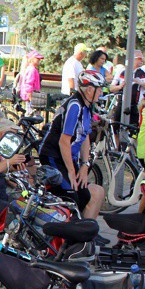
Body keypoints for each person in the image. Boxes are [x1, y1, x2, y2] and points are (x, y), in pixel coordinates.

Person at [38, 69, 106, 219]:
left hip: (67, 157)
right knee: (72, 199)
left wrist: (84, 165)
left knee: (88, 195)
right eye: (99, 89)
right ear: (89, 90)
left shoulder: (87, 106)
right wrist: (71, 171)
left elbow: (85, 136)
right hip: (53, 156)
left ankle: (85, 234)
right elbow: (64, 141)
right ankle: (72, 235)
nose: (101, 92)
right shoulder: (74, 106)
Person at [110, 49, 145, 126]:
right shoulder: (122, 71)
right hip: (121, 103)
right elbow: (111, 88)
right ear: (132, 58)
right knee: (116, 127)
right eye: (140, 58)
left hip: (136, 106)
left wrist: (141, 83)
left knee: (133, 130)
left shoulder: (144, 73)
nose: (142, 60)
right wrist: (120, 86)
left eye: (143, 58)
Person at [16, 50, 44, 115]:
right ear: (32, 59)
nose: (39, 60)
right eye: (37, 58)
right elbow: (29, 84)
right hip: (30, 96)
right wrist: (30, 97)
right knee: (30, 114)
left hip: (32, 96)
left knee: (30, 113)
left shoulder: (32, 69)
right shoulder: (32, 70)